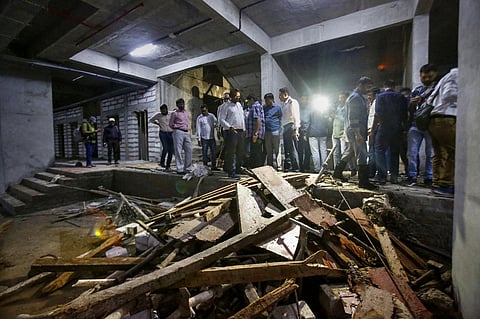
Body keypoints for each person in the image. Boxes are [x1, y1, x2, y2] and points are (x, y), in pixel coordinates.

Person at [333, 76, 377, 190]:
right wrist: (358, 133)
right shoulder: (356, 98)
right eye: (367, 87)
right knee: (362, 154)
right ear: (360, 85)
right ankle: (363, 181)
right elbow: (353, 117)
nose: (368, 90)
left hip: (354, 130)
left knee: (349, 152)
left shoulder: (356, 97)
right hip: (356, 130)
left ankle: (337, 173)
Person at [405, 64, 437, 187]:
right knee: (412, 152)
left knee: (431, 153)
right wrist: (411, 104)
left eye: (429, 76)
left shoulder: (437, 89)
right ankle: (412, 176)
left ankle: (429, 177)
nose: (427, 79)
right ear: (420, 76)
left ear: (434, 74)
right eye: (424, 77)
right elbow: (409, 110)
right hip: (415, 125)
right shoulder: (416, 90)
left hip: (431, 124)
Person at [427, 67, 457, 197]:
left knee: (439, 153)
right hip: (447, 117)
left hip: (434, 118)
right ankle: (446, 185)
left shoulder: (444, 78)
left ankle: (437, 182)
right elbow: (450, 95)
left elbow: (430, 100)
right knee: (454, 151)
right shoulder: (456, 76)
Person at [371, 80, 408, 184]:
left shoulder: (380, 96)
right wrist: (405, 129)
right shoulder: (401, 97)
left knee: (379, 150)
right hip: (397, 127)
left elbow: (377, 114)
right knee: (394, 152)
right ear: (394, 86)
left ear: (384, 86)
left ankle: (382, 177)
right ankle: (394, 176)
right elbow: (405, 114)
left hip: (384, 127)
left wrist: (373, 130)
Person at [218, 89, 245, 178]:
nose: (238, 98)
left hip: (241, 131)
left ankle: (238, 168)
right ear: (232, 96)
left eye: (239, 97)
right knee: (231, 152)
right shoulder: (226, 106)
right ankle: (231, 171)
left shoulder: (239, 105)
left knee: (240, 151)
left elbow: (242, 117)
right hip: (231, 131)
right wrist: (229, 127)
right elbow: (221, 119)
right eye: (237, 97)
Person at [306, 96, 331, 173]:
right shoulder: (325, 111)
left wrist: (305, 133)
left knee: (315, 151)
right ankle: (324, 169)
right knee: (323, 151)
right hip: (323, 132)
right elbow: (328, 122)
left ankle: (317, 169)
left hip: (313, 133)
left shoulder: (311, 111)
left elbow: (308, 122)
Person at [279, 87, 301, 172]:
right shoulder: (284, 104)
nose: (279, 97)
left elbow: (296, 116)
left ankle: (296, 167)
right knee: (287, 149)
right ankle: (289, 167)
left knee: (292, 149)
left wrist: (296, 130)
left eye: (280, 95)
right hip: (285, 127)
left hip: (291, 126)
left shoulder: (293, 102)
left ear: (285, 94)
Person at [169, 98, 192, 174]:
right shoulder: (174, 113)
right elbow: (171, 124)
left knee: (189, 150)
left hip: (186, 132)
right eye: (180, 104)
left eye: (182, 103)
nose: (182, 105)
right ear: (177, 105)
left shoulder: (186, 112)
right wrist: (178, 126)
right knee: (178, 150)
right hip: (178, 132)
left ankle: (187, 167)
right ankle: (180, 169)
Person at [151, 104, 174, 172]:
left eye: (164, 110)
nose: (163, 112)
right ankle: (162, 162)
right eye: (162, 111)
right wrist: (157, 123)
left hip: (170, 133)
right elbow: (151, 120)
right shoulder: (158, 115)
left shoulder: (171, 113)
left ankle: (168, 165)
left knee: (171, 150)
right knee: (165, 148)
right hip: (163, 133)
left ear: (167, 109)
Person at [244, 95, 265, 169]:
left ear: (252, 99)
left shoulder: (255, 106)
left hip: (256, 134)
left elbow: (258, 120)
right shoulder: (256, 106)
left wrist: (256, 133)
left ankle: (257, 169)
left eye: (248, 101)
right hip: (254, 134)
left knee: (256, 153)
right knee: (254, 152)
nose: (248, 103)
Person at [263, 93, 282, 170]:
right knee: (269, 149)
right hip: (267, 131)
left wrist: (279, 128)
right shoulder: (264, 108)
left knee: (277, 149)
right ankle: (269, 166)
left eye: (267, 100)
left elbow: (280, 117)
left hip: (275, 130)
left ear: (272, 99)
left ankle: (278, 165)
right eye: (265, 100)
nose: (266, 102)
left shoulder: (278, 107)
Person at [196, 104, 219, 170]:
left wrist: (217, 129)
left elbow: (216, 122)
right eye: (202, 111)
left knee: (213, 153)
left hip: (211, 137)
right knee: (204, 153)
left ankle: (213, 166)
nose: (203, 112)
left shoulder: (211, 116)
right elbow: (198, 129)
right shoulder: (199, 118)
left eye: (205, 111)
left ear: (207, 110)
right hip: (204, 138)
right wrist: (199, 139)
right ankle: (205, 167)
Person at [366, 87, 380, 178]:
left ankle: (371, 172)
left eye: (370, 95)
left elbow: (375, 117)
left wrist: (372, 131)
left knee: (372, 151)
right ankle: (372, 171)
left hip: (374, 130)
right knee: (372, 151)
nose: (368, 97)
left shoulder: (376, 104)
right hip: (372, 129)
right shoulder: (372, 103)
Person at [298, 95, 312, 172]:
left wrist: (305, 134)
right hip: (299, 131)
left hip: (306, 132)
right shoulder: (299, 108)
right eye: (302, 99)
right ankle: (301, 166)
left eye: (305, 99)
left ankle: (306, 166)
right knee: (300, 150)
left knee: (307, 150)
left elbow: (308, 122)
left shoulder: (309, 109)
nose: (303, 101)